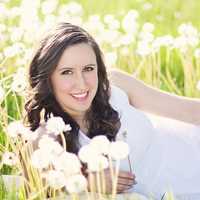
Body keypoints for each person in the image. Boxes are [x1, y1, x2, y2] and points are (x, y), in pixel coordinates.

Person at [25, 22, 200, 199]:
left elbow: (187, 111)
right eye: (67, 72)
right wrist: (87, 179)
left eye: (88, 69)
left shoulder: (115, 85)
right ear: (47, 78)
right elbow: (38, 179)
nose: (82, 83)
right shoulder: (49, 134)